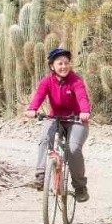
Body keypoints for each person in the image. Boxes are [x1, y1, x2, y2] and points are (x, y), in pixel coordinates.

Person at [24, 48, 92, 203]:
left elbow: (82, 98)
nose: (64, 66)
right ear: (52, 66)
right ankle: (41, 176)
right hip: (54, 118)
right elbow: (38, 97)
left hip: (76, 120)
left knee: (73, 149)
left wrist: (84, 111)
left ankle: (80, 187)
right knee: (44, 139)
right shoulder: (47, 81)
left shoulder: (76, 81)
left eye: (66, 63)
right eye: (60, 63)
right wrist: (32, 109)